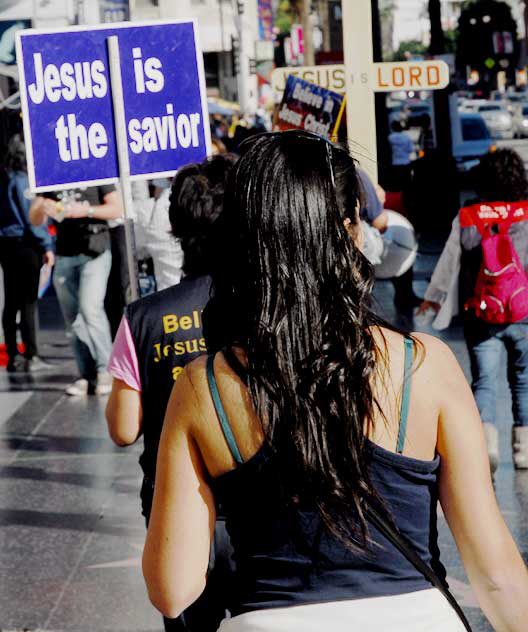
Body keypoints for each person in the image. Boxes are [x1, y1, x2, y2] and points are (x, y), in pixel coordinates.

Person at [142, 131, 528, 631]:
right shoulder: (424, 366)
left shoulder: (204, 386)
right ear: (349, 231)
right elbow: (495, 574)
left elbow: (173, 590)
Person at [107, 154, 237, 632]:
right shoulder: (262, 308)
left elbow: (123, 429)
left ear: (176, 227)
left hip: (171, 504)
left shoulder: (140, 318)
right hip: (252, 500)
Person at [418, 148, 528, 472]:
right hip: (524, 312)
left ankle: (486, 446)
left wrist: (432, 297)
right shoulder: (526, 212)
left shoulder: (468, 216)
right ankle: (523, 451)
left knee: (484, 382)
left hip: (481, 313)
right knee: (523, 379)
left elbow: (449, 262)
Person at [29, 185, 122, 395]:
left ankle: (105, 370)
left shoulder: (95, 169)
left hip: (95, 249)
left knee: (90, 309)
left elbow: (117, 208)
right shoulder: (50, 177)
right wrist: (42, 205)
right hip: (64, 253)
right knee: (72, 319)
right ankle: (85, 374)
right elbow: (35, 220)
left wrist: (87, 210)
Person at [0, 135, 54, 372]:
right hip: (25, 244)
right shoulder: (21, 181)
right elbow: (31, 218)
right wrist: (47, 245)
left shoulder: (4, 178)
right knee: (28, 302)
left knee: (11, 301)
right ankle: (31, 354)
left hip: (7, 243)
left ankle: (13, 354)